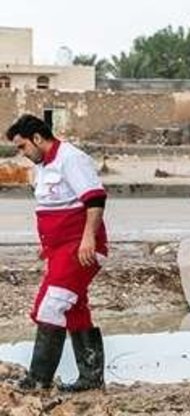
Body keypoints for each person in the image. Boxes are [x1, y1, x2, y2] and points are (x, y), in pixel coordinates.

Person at [6, 114, 107, 392]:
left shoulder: (71, 158)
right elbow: (55, 208)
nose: (22, 154)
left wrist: (88, 239)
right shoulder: (44, 166)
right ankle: (91, 379)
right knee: (74, 309)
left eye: (23, 146)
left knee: (51, 305)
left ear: (38, 139)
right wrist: (48, 247)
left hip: (80, 247)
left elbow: (95, 198)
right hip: (60, 249)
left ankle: (39, 380)